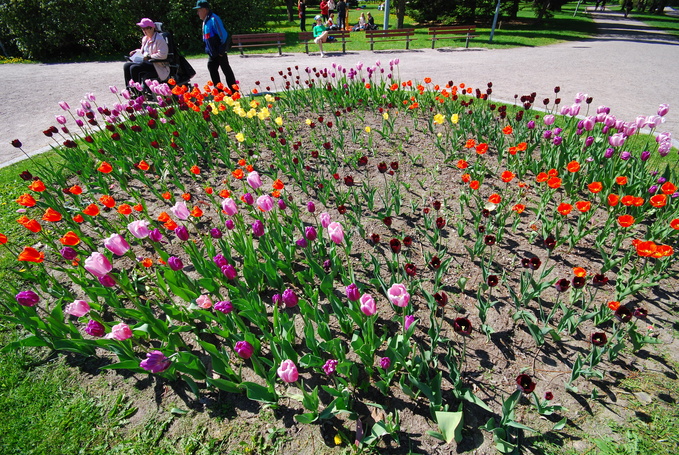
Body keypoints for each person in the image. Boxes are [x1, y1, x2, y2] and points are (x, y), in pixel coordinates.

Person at [194, 0, 237, 92]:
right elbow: (206, 37)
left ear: (204, 10)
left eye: (199, 10)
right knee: (212, 67)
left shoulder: (214, 19)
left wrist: (221, 51)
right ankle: (219, 91)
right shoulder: (205, 21)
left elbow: (224, 35)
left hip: (219, 51)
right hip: (212, 52)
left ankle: (234, 91)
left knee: (226, 69)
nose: (197, 13)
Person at [123, 18, 169, 91]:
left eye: (146, 28)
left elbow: (163, 55)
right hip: (146, 62)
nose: (144, 31)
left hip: (156, 65)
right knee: (126, 65)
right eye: (142, 29)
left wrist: (149, 57)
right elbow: (144, 51)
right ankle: (129, 89)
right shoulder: (145, 39)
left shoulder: (159, 39)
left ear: (152, 28)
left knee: (134, 68)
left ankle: (137, 92)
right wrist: (135, 51)